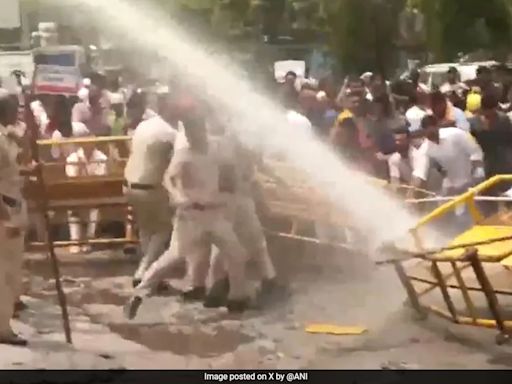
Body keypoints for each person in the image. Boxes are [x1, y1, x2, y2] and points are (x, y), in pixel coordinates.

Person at [125, 114, 249, 318]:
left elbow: (229, 169)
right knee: (173, 257)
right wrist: (179, 196)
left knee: (236, 252)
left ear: (203, 130)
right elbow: (168, 179)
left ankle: (237, 297)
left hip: (214, 213)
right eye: (190, 133)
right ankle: (140, 293)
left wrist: (230, 190)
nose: (194, 137)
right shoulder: (184, 155)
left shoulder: (216, 148)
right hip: (191, 216)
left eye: (197, 132)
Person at [123, 95, 179, 287]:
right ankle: (143, 270)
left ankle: (149, 274)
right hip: (150, 187)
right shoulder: (170, 132)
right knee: (164, 228)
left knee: (147, 228)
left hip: (129, 185)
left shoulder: (144, 125)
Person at [0, 89, 28, 346]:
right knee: (4, 273)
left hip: (13, 205)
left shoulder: (6, 136)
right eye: (15, 108)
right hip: (5, 211)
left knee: (11, 270)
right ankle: (2, 328)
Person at [65, 126, 108, 254]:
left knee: (94, 209)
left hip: (95, 194)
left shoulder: (102, 157)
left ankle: (90, 240)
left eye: (90, 141)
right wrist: (80, 166)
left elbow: (101, 179)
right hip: (76, 194)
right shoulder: (72, 158)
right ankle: (75, 240)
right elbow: (71, 179)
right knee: (72, 208)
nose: (88, 144)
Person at [470, 93, 512, 196]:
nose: (490, 115)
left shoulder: (504, 120)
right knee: (489, 197)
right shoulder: (474, 123)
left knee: (506, 195)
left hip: (505, 163)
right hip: (485, 164)